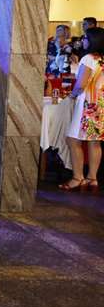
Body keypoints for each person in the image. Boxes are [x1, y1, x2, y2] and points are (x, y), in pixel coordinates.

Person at [61, 27, 104, 191]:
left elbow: (80, 84)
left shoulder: (88, 58)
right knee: (95, 142)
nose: (83, 40)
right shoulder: (102, 59)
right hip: (100, 103)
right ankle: (92, 178)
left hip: (87, 104)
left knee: (73, 140)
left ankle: (77, 177)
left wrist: (71, 95)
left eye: (85, 38)